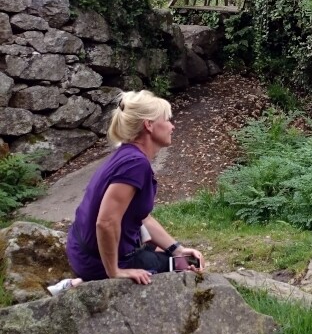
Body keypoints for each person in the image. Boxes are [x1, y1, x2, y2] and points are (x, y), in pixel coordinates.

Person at [51, 90, 203, 294]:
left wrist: (178, 248)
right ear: (149, 125)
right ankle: (82, 286)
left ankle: (80, 284)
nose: (172, 126)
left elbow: (142, 217)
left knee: (173, 254)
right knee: (184, 267)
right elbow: (105, 222)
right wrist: (115, 272)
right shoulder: (134, 164)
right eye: (167, 120)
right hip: (96, 260)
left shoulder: (128, 154)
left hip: (84, 248)